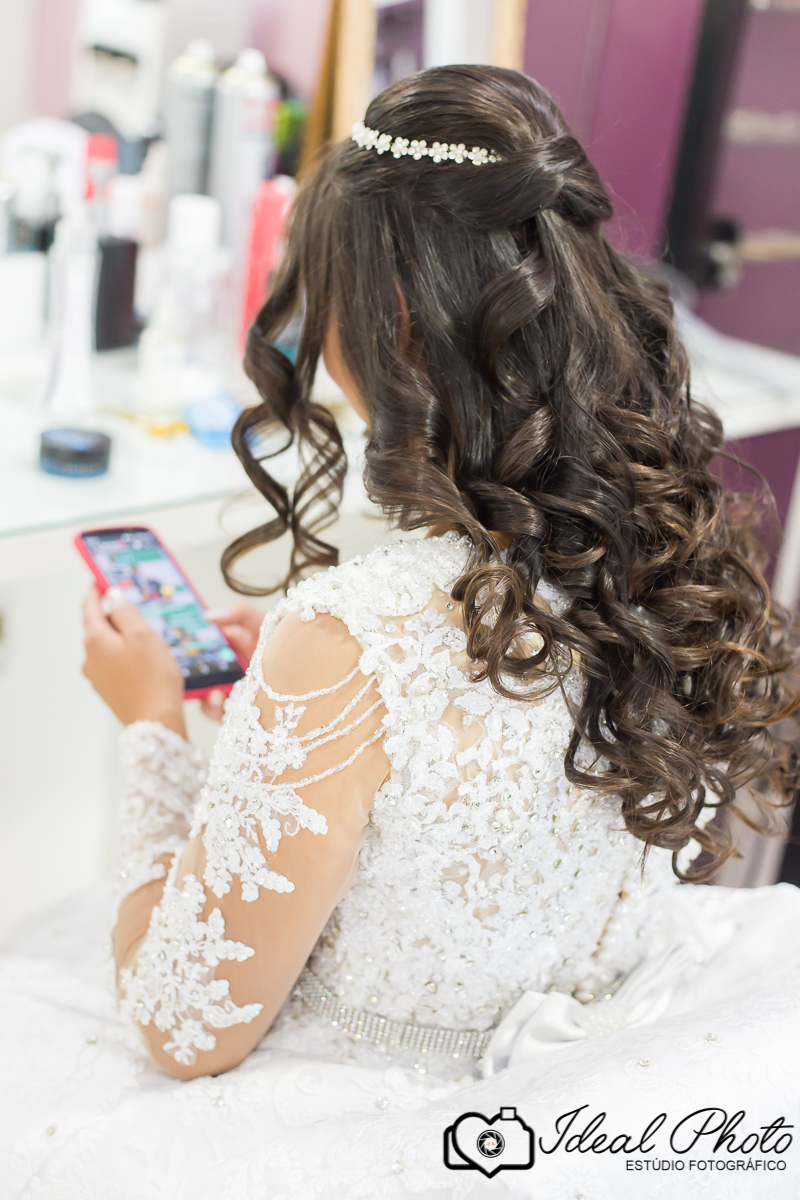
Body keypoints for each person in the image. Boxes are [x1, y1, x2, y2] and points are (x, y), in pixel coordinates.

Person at [2, 65, 800, 1199]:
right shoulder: (658, 561)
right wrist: (297, 720)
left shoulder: (351, 636)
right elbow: (466, 776)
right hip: (594, 1101)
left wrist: (151, 729)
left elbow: (186, 1026)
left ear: (388, 323)